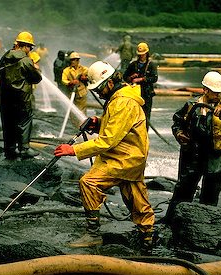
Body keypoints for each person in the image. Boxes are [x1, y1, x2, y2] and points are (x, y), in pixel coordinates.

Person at [54, 61, 155, 250]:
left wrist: (74, 150)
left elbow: (108, 140)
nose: (98, 93)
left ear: (109, 83)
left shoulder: (123, 102)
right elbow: (119, 125)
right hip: (132, 155)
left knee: (89, 182)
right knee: (135, 192)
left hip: (124, 157)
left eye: (99, 89)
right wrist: (98, 122)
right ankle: (147, 235)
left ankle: (92, 234)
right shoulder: (120, 97)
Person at [163, 71, 221, 223]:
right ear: (205, 90)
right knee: (183, 190)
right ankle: (172, 221)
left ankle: (204, 224)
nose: (217, 95)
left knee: (211, 194)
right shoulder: (191, 106)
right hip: (192, 155)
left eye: (220, 92)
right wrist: (179, 133)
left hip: (216, 158)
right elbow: (177, 122)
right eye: (214, 92)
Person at [0, 31, 42, 160]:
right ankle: (24, 149)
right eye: (30, 47)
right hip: (22, 99)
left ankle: (10, 150)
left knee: (8, 123)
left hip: (5, 99)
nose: (30, 50)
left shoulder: (5, 58)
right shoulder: (26, 61)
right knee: (25, 121)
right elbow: (36, 78)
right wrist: (36, 68)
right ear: (25, 46)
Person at [123, 42, 158, 130]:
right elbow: (124, 77)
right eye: (140, 54)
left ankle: (144, 135)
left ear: (146, 53)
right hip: (134, 94)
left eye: (143, 54)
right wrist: (131, 77)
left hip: (147, 94)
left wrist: (142, 79)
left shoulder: (151, 65)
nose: (141, 56)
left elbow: (154, 78)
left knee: (145, 116)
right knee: (133, 115)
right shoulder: (133, 65)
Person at [61, 51, 89, 127]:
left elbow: (90, 77)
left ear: (78, 60)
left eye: (74, 60)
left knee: (82, 110)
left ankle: (82, 126)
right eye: (71, 60)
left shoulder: (84, 69)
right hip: (71, 93)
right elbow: (63, 80)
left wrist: (85, 78)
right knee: (72, 111)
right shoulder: (66, 70)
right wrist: (71, 82)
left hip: (81, 93)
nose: (72, 62)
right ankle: (75, 126)